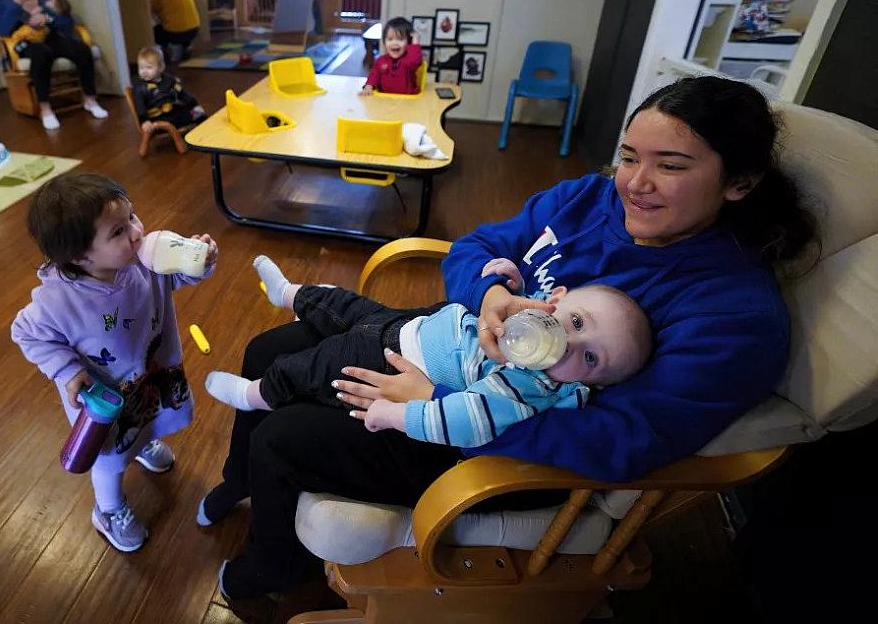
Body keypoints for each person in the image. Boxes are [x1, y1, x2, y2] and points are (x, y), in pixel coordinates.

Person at [204, 76, 818, 601]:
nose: (634, 182)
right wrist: (490, 296)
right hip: (459, 343)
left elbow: (622, 442)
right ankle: (242, 479)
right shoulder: (588, 198)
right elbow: (477, 247)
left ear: (738, 182)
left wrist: (435, 405)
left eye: (672, 166)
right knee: (269, 351)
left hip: (502, 437)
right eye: (630, 156)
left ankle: (275, 563)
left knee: (286, 437)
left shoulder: (733, 315)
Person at [205, 256, 650, 450]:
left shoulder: (525, 389)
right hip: (409, 324)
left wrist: (398, 415)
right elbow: (509, 291)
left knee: (312, 368)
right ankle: (289, 292)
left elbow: (461, 421)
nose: (569, 343)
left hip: (392, 362)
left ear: (587, 384)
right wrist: (507, 280)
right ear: (557, 300)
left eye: (589, 359)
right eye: (575, 322)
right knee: (339, 303)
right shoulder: (532, 308)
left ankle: (256, 394)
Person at [10, 173, 218, 553]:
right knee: (108, 457)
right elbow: (26, 333)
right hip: (105, 401)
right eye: (119, 231)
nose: (138, 233)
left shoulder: (142, 263)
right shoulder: (56, 302)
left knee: (147, 420)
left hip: (148, 376)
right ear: (79, 256)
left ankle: (140, 443)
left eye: (133, 218)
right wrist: (67, 371)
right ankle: (108, 510)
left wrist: (195, 262)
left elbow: (174, 281)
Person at [0, 0, 107, 130]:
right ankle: (45, 108)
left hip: (49, 35)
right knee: (41, 54)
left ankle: (90, 99)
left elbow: (67, 20)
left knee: (81, 49)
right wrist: (16, 4)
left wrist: (49, 18)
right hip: (25, 42)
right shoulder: (1, 1)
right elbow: (1, 29)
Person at [131, 46, 206, 131]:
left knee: (198, 113)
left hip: (171, 112)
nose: (144, 71)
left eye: (149, 67)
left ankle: (202, 134)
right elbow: (140, 106)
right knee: (184, 117)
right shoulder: (140, 88)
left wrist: (194, 105)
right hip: (156, 119)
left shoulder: (169, 80)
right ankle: (193, 135)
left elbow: (182, 93)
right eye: (141, 68)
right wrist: (144, 121)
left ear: (161, 67)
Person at [361, 16, 424, 95]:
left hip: (407, 103)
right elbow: (374, 75)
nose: (394, 43)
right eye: (390, 39)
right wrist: (369, 86)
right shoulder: (381, 60)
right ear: (384, 42)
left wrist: (415, 44)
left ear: (409, 42)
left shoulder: (408, 61)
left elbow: (415, 61)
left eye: (400, 39)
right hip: (384, 101)